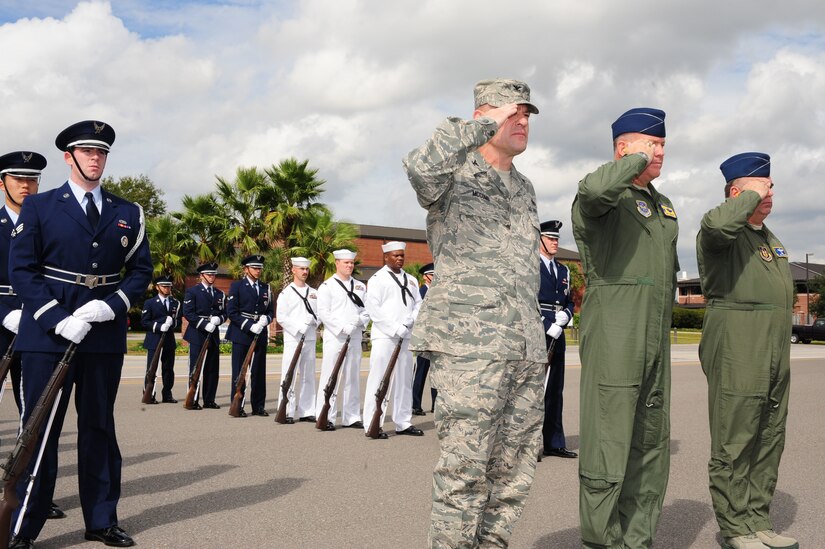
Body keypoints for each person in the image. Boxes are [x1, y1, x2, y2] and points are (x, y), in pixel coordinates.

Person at [403, 78, 546, 548]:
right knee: (464, 471)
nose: (522, 121)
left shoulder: (524, 188)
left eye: (528, 114)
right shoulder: (454, 173)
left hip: (523, 344)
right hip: (470, 346)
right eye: (514, 113)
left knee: (513, 472)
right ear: (485, 115)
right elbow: (419, 168)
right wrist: (478, 126)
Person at [9, 120, 152, 548]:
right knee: (39, 431)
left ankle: (101, 519)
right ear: (69, 157)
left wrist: (110, 305)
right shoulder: (40, 207)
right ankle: (22, 525)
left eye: (101, 152)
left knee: (98, 429)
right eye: (87, 152)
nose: (95, 158)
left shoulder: (128, 212)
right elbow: (22, 270)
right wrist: (56, 316)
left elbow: (140, 271)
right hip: (48, 335)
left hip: (102, 335)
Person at [571, 107, 679, 548]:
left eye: (662, 147)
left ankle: (638, 538)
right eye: (650, 144)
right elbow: (593, 190)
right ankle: (603, 540)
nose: (659, 153)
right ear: (622, 149)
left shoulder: (662, 202)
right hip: (617, 326)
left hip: (655, 330)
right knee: (608, 440)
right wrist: (631, 162)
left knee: (649, 441)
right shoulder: (604, 195)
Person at [697, 153, 797, 549]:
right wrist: (745, 197)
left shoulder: (769, 238)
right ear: (736, 192)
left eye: (770, 185)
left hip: (774, 348)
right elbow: (719, 223)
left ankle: (758, 519)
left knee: (769, 434)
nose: (770, 192)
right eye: (761, 186)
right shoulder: (721, 232)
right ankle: (735, 527)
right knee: (735, 438)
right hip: (739, 343)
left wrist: (754, 199)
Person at [0, 151, 66, 523]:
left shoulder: (48, 221)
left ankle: (32, 495)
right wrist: (4, 313)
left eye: (33, 179)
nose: (26, 185)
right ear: (2, 182)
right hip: (2, 323)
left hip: (37, 323)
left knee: (36, 416)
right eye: (18, 178)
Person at [362, 241, 423, 439]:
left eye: (402, 255)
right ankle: (373, 423)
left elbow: (419, 304)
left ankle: (403, 422)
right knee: (379, 380)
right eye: (395, 255)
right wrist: (395, 328)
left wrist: (410, 321)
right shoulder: (377, 279)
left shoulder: (412, 280)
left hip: (405, 336)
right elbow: (373, 309)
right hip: (385, 337)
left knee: (404, 380)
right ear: (386, 257)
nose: (399, 258)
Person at [314, 249, 369, 431]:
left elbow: (366, 310)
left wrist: (360, 321)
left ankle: (351, 416)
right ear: (337, 263)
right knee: (331, 376)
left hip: (354, 336)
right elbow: (323, 312)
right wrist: (341, 327)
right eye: (346, 263)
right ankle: (325, 415)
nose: (350, 266)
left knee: (352, 376)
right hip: (335, 336)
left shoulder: (360, 286)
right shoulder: (327, 286)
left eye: (352, 263)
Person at [538, 220, 576, 459]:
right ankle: (528, 445)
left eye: (557, 239)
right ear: (539, 239)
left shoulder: (564, 271)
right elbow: (526, 301)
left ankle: (554, 442)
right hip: (536, 333)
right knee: (533, 391)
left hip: (558, 334)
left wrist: (566, 315)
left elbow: (569, 300)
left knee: (554, 390)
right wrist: (545, 323)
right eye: (550, 238)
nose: (555, 242)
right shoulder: (530, 266)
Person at [226, 254, 273, 417]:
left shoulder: (266, 287)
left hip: (260, 332)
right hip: (241, 333)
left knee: (259, 372)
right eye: (254, 268)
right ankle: (237, 405)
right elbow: (231, 312)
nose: (258, 271)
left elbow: (270, 311)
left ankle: (258, 405)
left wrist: (264, 321)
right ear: (246, 269)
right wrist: (249, 325)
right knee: (240, 371)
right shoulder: (237, 286)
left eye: (260, 268)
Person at [275, 256, 320, 423]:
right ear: (293, 270)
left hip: (309, 339)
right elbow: (281, 317)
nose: (305, 272)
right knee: (290, 374)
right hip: (293, 339)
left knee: (308, 375)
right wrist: (298, 327)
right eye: (301, 269)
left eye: (307, 269)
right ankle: (286, 410)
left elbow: (320, 315)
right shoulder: (286, 293)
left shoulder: (314, 293)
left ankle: (307, 410)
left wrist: (314, 322)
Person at [182, 262, 226, 410]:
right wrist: (203, 323)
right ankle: (193, 399)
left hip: (213, 333)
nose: (212, 277)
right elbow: (188, 312)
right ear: (201, 276)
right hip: (197, 333)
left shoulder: (220, 294)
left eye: (214, 274)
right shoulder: (193, 292)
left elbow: (224, 313)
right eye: (209, 274)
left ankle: (209, 399)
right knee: (196, 367)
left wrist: (219, 319)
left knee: (212, 368)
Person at [141, 275, 181, 403]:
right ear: (157, 287)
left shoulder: (175, 303)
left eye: (169, 286)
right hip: (154, 339)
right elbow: (145, 322)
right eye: (164, 286)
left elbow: (178, 322)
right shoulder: (150, 303)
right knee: (152, 368)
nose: (167, 288)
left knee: (168, 368)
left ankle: (167, 394)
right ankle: (149, 393)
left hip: (169, 339)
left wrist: (172, 323)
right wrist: (159, 325)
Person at [411, 262, 436, 415]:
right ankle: (416, 404)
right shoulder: (421, 292)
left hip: (436, 339)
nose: (434, 277)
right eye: (432, 275)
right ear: (425, 276)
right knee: (421, 372)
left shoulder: (437, 291)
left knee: (435, 374)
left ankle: (435, 404)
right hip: (423, 339)